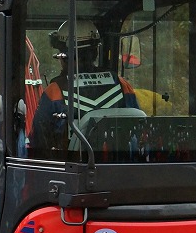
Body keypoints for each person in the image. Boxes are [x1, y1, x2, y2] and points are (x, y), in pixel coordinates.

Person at [30, 21, 139, 155]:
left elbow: (38, 142)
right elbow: (138, 127)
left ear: (64, 55)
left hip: (71, 170)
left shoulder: (55, 92)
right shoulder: (122, 85)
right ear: (94, 52)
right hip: (120, 165)